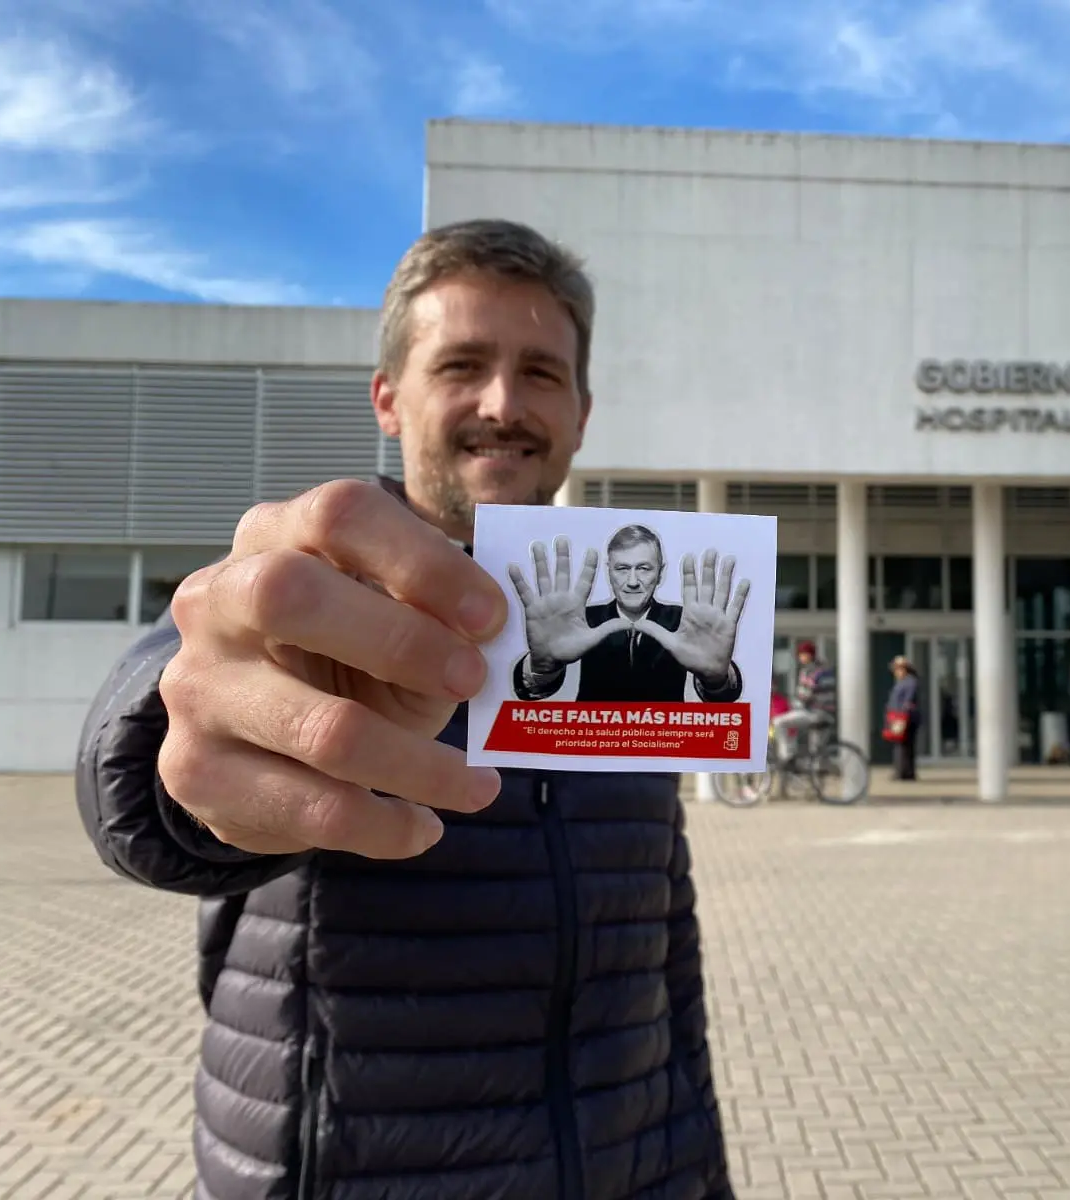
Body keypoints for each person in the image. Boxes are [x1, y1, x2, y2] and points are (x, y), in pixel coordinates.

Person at [71, 219, 733, 1198]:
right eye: (462, 364)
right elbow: (162, 749)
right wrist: (165, 740)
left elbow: (668, 962)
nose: (503, 403)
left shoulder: (624, 648)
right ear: (388, 398)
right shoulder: (299, 599)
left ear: (582, 414)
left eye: (540, 373)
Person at [509, 524, 747, 703]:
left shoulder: (687, 623)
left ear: (660, 573)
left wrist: (716, 679)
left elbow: (723, 698)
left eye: (643, 568)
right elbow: (531, 693)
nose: (632, 581)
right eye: (622, 569)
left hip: (665, 753)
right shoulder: (580, 620)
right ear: (609, 572)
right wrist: (542, 668)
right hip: (587, 748)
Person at [771, 640, 835, 764]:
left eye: (801, 654)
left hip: (815, 712)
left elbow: (805, 696)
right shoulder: (824, 670)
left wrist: (795, 704)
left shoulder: (810, 672)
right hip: (826, 713)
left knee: (779, 722)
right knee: (816, 751)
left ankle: (787, 756)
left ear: (808, 655)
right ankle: (816, 775)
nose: (799, 657)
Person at [885, 655, 921, 780]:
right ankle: (906, 772)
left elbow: (908, 700)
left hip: (905, 717)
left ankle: (902, 772)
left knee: (903, 746)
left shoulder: (910, 682)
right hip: (898, 716)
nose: (896, 672)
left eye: (898, 669)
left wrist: (901, 716)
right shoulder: (902, 682)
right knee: (903, 745)